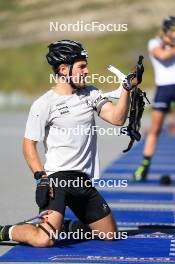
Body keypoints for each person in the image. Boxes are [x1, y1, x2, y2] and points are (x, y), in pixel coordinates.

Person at [0, 40, 138, 247]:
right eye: (81, 66)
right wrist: (41, 177)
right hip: (58, 181)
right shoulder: (44, 103)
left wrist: (127, 88)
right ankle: (7, 230)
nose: (87, 70)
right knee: (44, 240)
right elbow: (29, 145)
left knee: (109, 235)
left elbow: (117, 119)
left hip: (82, 181)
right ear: (64, 69)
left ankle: (63, 225)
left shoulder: (91, 93)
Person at [133, 16, 175, 182]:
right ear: (165, 30)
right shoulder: (154, 42)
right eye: (172, 30)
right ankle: (144, 166)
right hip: (163, 89)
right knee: (155, 130)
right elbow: (163, 56)